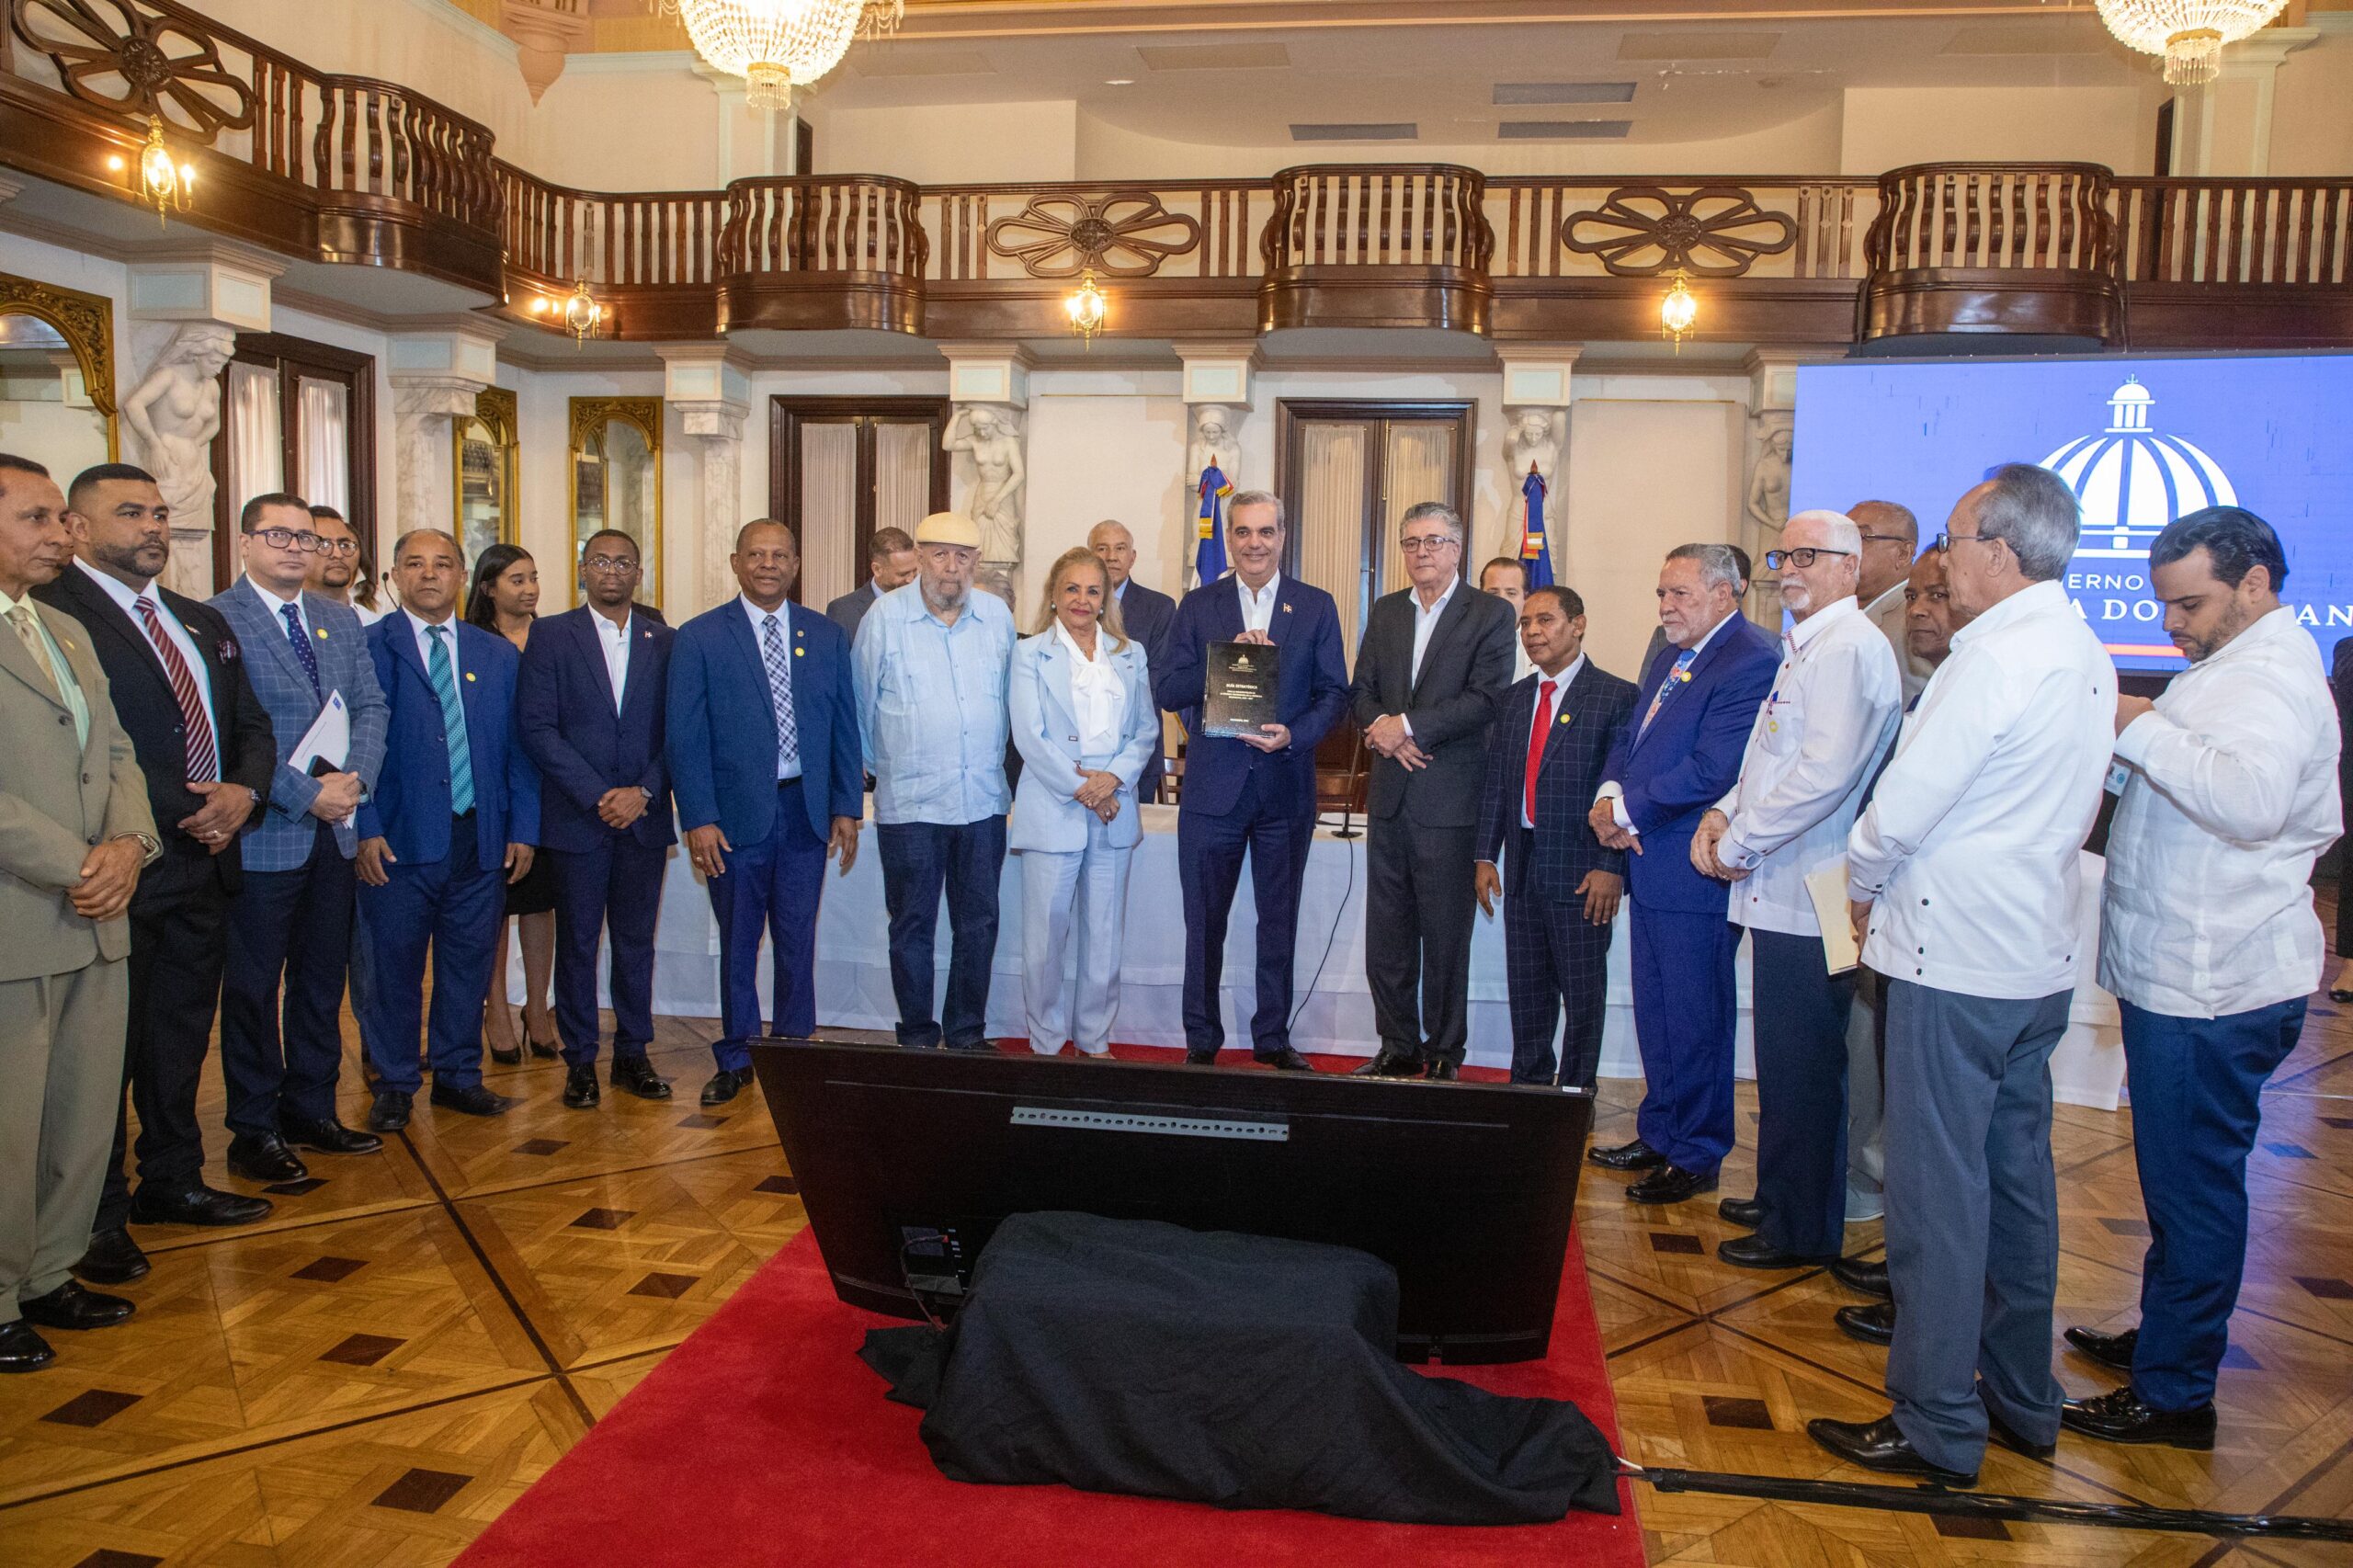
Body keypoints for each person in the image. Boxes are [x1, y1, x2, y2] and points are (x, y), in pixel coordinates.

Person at [1806, 463, 2116, 1487]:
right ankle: (2022, 1399)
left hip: (1951, 958)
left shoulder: (1992, 658)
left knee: (1937, 1198)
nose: (1941, 557)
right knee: (2017, 1188)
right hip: (2030, 957)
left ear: (2002, 551)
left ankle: (1937, 1419)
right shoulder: (2081, 648)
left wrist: (1856, 883)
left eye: (1952, 537)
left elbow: (1903, 805)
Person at [2061, 507, 2341, 1450]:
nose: (2171, 622)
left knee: (2194, 1188)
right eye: (2164, 603)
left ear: (2254, 583)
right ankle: (2166, 1339)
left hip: (2215, 982)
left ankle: (2176, 1392)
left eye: (2190, 603)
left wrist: (2137, 725)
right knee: (2176, 1179)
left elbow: (2250, 802)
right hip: (2184, 972)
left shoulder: (2270, 679)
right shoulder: (2229, 666)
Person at [35, 464, 276, 1288]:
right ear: (77, 527)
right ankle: (96, 1215)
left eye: (161, 514)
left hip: (207, 862)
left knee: (178, 1038)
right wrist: (175, 815)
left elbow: (249, 725)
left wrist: (243, 793)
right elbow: (98, 751)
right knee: (103, 1054)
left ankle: (172, 1178)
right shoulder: (55, 614)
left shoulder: (197, 618)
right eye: (131, 513)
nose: (153, 528)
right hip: (119, 866)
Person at [1693, 510, 1901, 1269]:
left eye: (1809, 556)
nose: (1791, 570)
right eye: (1785, 556)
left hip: (1816, 895)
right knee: (1784, 1064)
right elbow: (1767, 759)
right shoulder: (1807, 646)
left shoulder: (1847, 648)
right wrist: (1723, 811)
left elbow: (1822, 777)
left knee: (1806, 1067)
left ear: (1851, 566)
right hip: (1782, 888)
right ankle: (1783, 1195)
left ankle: (1801, 1228)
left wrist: (1738, 841)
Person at [0, 453, 159, 1372]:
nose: (61, 534)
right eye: (37, 517)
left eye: (63, 517)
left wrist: (130, 843)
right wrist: (79, 863)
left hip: (98, 913)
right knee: (8, 1126)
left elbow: (121, 752)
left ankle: (50, 1271)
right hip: (22, 915)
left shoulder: (63, 629)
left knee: (80, 1111)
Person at [1586, 543, 1777, 1205]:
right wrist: (1609, 794)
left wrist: (1625, 812)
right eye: (1661, 594)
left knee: (1696, 1017)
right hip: (1649, 859)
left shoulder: (1751, 659)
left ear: (1726, 594)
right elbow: (1631, 736)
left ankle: (1697, 1151)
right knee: (1659, 1011)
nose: (1665, 606)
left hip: (1693, 867)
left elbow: (1715, 768)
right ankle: (1661, 1131)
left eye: (1680, 595)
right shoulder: (1672, 653)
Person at [210, 494, 388, 1184]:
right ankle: (253, 1128)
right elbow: (224, 731)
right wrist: (305, 793)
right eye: (278, 535)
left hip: (334, 832)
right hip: (263, 834)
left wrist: (352, 783)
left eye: (306, 538)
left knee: (320, 983)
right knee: (253, 989)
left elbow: (371, 706)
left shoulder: (337, 619)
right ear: (245, 541)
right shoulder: (216, 619)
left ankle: (311, 1108)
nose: (295, 548)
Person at [1828, 548, 1979, 1338]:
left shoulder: (1976, 689)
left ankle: (1921, 1286)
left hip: (1936, 933)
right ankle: (1893, 1241)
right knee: (1868, 1058)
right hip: (1884, 921)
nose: (1920, 610)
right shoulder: (1914, 686)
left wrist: (1857, 888)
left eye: (1938, 596)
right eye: (1913, 596)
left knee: (1929, 1124)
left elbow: (1899, 820)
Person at [1154, 491, 1348, 1069]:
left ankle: (1272, 1037)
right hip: (1213, 792)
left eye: (1266, 532)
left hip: (1285, 790)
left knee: (1279, 921)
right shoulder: (1198, 605)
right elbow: (1168, 689)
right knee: (1203, 923)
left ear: (1283, 536)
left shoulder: (1314, 606)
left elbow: (1334, 693)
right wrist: (1222, 662)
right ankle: (1201, 1038)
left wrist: (1294, 735)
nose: (1254, 543)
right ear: (1229, 538)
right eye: (1242, 532)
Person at [356, 529, 540, 1131]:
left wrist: (522, 827)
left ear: (463, 577)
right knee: (394, 971)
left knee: (467, 965)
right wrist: (364, 826)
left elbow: (519, 750)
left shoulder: (496, 655)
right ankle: (395, 1084)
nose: (429, 574)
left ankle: (460, 1076)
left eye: (442, 564)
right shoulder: (368, 647)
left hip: (480, 839)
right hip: (398, 840)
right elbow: (349, 748)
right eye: (415, 564)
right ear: (394, 576)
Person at [672, 520, 861, 1102]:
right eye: (756, 554)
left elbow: (843, 726)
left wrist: (845, 805)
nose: (768, 564)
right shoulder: (700, 637)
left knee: (798, 938)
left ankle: (794, 1050)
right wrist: (698, 817)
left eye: (780, 555)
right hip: (732, 820)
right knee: (739, 942)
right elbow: (684, 736)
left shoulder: (825, 635)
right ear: (736, 562)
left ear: (796, 564)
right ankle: (736, 1057)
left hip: (805, 812)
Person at [1349, 503, 1515, 1081]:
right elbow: (1360, 691)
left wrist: (1406, 727)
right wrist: (1385, 730)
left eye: (1434, 541)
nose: (1422, 552)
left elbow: (1487, 698)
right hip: (1390, 798)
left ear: (1457, 548)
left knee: (1445, 938)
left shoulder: (1490, 613)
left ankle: (1445, 1051)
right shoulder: (1387, 611)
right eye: (1411, 542)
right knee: (1388, 937)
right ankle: (1397, 1045)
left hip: (1450, 802)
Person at [517, 529, 678, 1109]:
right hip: (577, 820)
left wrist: (643, 791)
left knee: (636, 944)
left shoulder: (667, 640)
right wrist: (597, 795)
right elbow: (537, 728)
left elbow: (680, 730)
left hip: (643, 820)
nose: (613, 570)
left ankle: (633, 1054)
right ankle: (581, 1060)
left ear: (639, 573)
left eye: (624, 562)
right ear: (583, 569)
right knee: (578, 945)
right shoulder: (551, 636)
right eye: (601, 561)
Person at [855, 512, 1016, 1053]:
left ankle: (966, 1033)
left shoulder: (996, 617)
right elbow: (859, 705)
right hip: (911, 806)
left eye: (963, 556)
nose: (951, 567)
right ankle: (918, 1038)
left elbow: (1010, 701)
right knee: (912, 927)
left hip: (982, 803)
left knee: (979, 925)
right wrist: (889, 765)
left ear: (977, 562)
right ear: (920, 557)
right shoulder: (885, 617)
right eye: (940, 554)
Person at [1472, 585, 1636, 1087]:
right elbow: (1498, 784)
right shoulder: (1513, 699)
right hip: (1522, 867)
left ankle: (1575, 1093)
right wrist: (1485, 856)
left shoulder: (1615, 696)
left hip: (1583, 873)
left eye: (1545, 620)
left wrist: (1610, 868)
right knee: (1528, 992)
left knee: (1582, 996)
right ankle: (1529, 1089)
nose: (1532, 632)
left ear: (1578, 625)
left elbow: (1623, 788)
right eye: (1525, 623)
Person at [1008, 547, 1158, 1057]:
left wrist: (1112, 780)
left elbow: (1145, 730)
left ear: (1105, 598)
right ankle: (1046, 1043)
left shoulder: (1130, 652)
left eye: (1093, 590)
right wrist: (1086, 791)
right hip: (1056, 805)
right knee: (1045, 940)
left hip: (1114, 802)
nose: (1082, 599)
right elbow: (1029, 737)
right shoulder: (1030, 653)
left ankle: (1094, 1041)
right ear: (1053, 594)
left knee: (1104, 937)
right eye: (1071, 588)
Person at [465, 544, 559, 1066]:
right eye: (516, 580)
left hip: (551, 790)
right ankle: (496, 1008)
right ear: (488, 587)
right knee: (496, 906)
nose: (529, 589)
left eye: (533, 577)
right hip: (494, 791)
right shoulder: (473, 642)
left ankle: (538, 1007)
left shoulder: (552, 637)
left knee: (542, 903)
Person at [1089, 519, 1176, 803]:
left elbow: (1158, 679)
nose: (1111, 557)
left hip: (1138, 751)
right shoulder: (1074, 606)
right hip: (1082, 752)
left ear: (1133, 557)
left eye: (1120, 549)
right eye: (1102, 548)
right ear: (1090, 556)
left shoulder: (1159, 608)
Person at [1849, 501, 1928, 701]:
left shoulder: (1916, 619)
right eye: (1843, 538)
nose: (1846, 549)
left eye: (1860, 537)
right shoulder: (1850, 613)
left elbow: (1912, 708)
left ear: (1903, 554)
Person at [826, 526, 917, 647]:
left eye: (914, 571)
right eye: (902, 574)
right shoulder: (843, 611)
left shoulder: (924, 605)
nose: (911, 580)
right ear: (877, 569)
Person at [305, 506, 387, 627]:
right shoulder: (289, 622)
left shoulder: (374, 624)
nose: (338, 554)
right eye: (324, 545)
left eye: (345, 545)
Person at [1479, 556, 1536, 685]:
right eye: (1493, 593)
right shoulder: (1462, 642)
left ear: (1526, 598)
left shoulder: (1539, 644)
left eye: (1511, 593)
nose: (1502, 602)